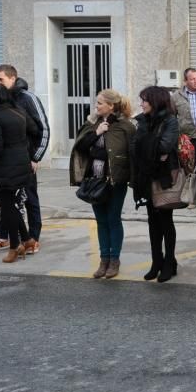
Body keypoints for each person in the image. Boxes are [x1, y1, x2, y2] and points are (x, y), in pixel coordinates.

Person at [0, 65, 49, 255]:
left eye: (0, 79)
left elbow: (43, 129)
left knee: (29, 199)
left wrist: (36, 157)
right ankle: (4, 237)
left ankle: (33, 238)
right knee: (7, 201)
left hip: (25, 161)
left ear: (13, 78)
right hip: (9, 162)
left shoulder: (27, 98)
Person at [70, 89, 136, 279]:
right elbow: (80, 147)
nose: (96, 106)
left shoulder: (125, 126)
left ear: (111, 105)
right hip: (94, 181)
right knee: (100, 221)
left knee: (113, 219)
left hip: (115, 181)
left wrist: (134, 180)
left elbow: (132, 153)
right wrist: (96, 133)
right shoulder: (93, 123)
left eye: (100, 103)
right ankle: (103, 260)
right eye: (96, 102)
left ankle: (114, 260)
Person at [131, 86, 181, 283]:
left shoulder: (170, 120)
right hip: (145, 176)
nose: (141, 104)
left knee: (165, 220)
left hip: (163, 177)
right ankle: (156, 261)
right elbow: (134, 147)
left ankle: (170, 263)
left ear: (155, 101)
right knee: (152, 221)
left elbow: (165, 146)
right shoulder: (142, 120)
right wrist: (151, 147)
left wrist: (148, 145)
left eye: (144, 100)